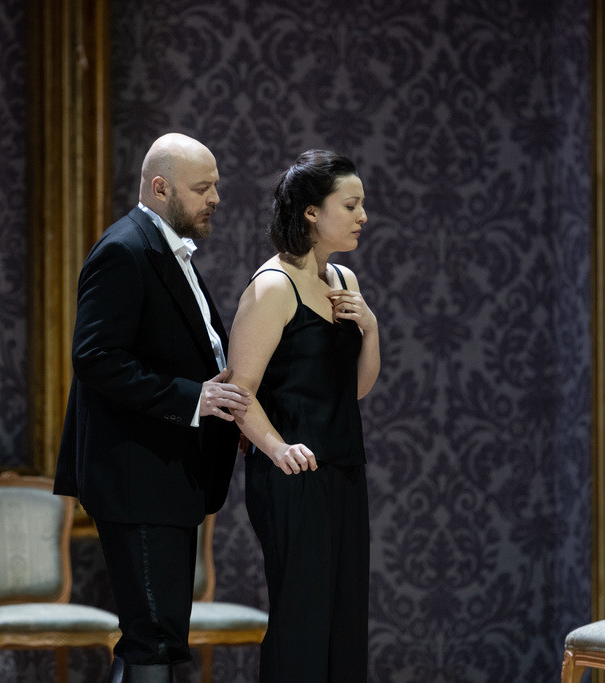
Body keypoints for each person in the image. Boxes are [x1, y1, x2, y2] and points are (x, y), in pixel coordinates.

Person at [54, 132, 252, 683]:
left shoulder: (164, 247)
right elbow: (94, 358)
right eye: (202, 188)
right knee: (153, 639)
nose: (216, 198)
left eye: (215, 186)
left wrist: (227, 409)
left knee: (155, 637)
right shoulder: (124, 249)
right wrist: (195, 398)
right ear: (160, 188)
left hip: (164, 476)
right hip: (136, 475)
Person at [227, 149, 381, 681]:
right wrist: (278, 449)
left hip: (343, 467)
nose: (363, 216)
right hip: (291, 474)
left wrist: (371, 329)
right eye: (351, 205)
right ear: (312, 212)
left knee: (345, 620)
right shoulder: (273, 286)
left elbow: (354, 389)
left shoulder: (345, 280)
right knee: (303, 622)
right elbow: (238, 392)